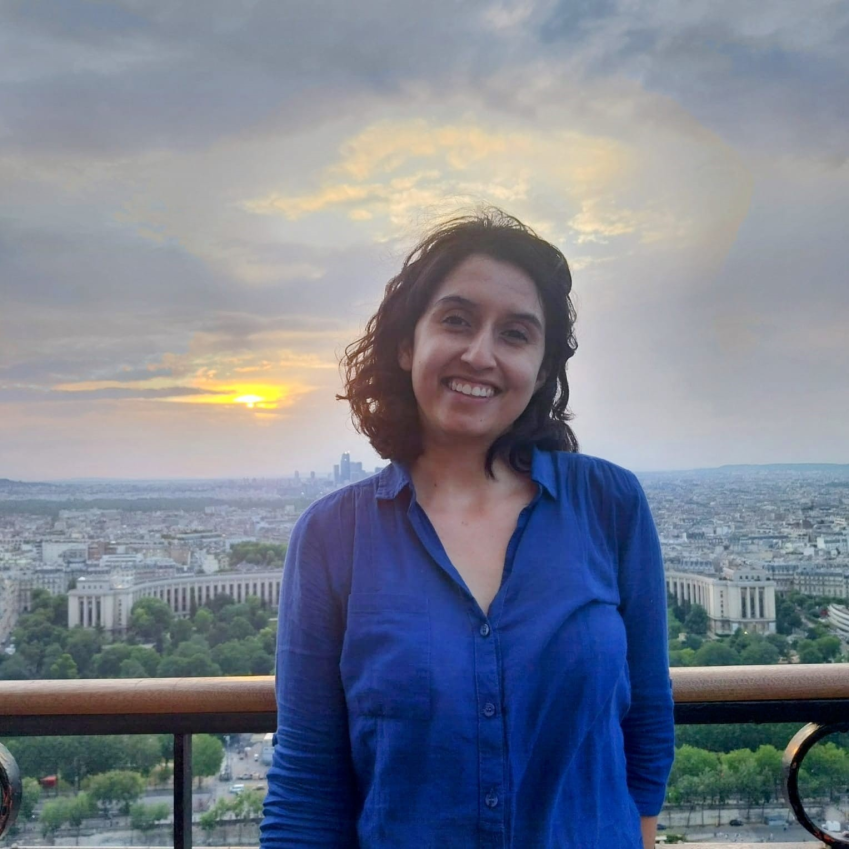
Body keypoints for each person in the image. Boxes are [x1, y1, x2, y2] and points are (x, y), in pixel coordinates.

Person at [260, 209, 674, 848]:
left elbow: (645, 721)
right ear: (407, 345)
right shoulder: (330, 536)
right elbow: (308, 780)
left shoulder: (610, 503)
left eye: (515, 334)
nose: (480, 355)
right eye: (456, 320)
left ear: (541, 369)